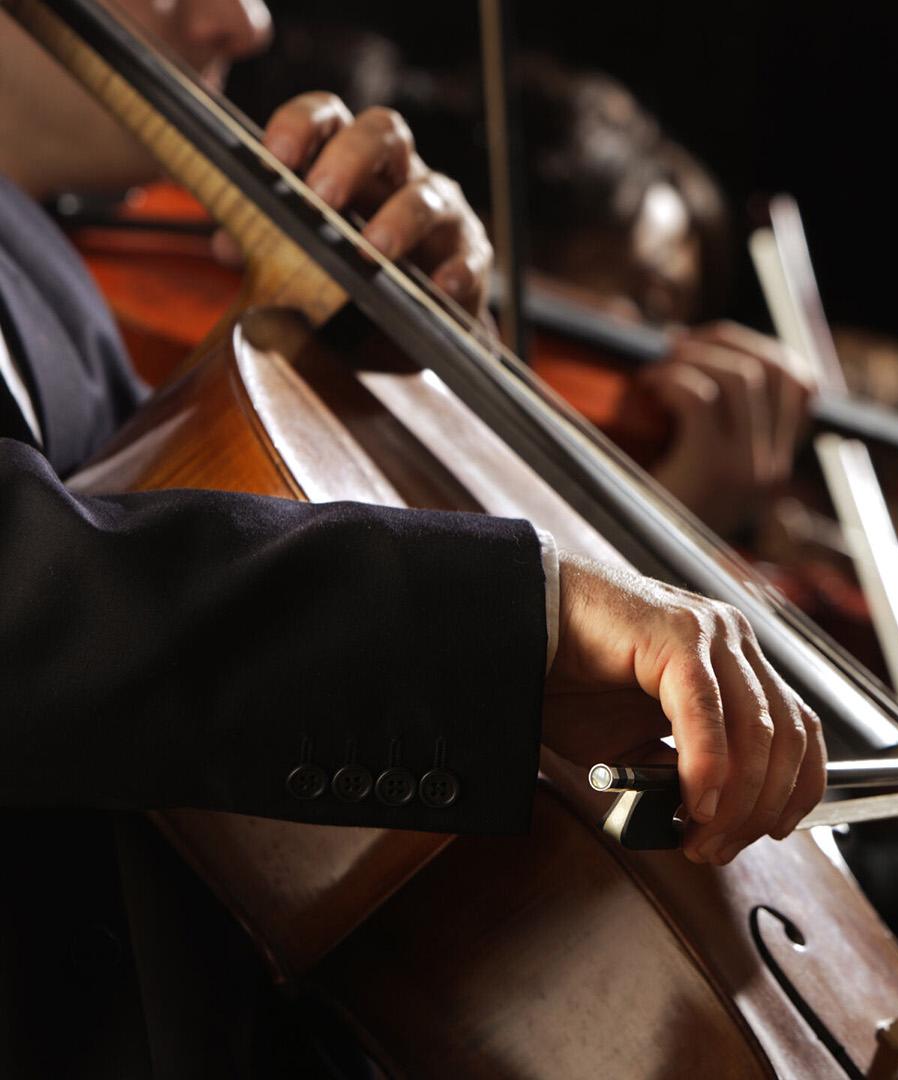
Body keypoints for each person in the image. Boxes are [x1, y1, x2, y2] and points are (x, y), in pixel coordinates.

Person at [0, 2, 823, 1074]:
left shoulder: (44, 270)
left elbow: (162, 571)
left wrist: (362, 364)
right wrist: (525, 622)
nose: (243, 22)